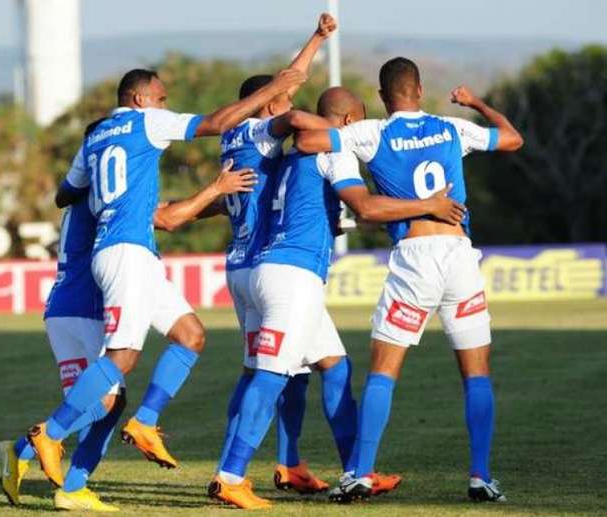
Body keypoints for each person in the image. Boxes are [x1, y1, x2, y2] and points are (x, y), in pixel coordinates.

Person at [23, 67, 304, 490]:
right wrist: (275, 89)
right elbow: (215, 123)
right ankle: (49, 434)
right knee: (122, 359)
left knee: (191, 334)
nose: (165, 106)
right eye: (161, 98)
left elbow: (64, 194)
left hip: (133, 253)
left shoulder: (93, 139)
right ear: (140, 99)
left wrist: (107, 189)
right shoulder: (147, 121)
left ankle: (146, 422)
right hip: (125, 253)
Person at [209, 86, 466, 510]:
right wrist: (429, 206)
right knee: (271, 374)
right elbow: (363, 206)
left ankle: (357, 472)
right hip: (293, 276)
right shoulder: (336, 151)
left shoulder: (287, 158)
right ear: (347, 123)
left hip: (270, 268)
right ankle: (230, 475)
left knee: (334, 366)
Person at [295, 57, 523, 503]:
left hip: (415, 256)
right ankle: (480, 476)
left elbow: (309, 140)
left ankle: (360, 472)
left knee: (384, 369)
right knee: (476, 372)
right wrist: (476, 102)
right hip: (460, 254)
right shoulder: (452, 127)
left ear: (383, 97)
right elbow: (513, 139)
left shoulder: (372, 132)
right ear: (419, 90)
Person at [0, 123, 255, 511]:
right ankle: (31, 450)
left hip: (67, 308)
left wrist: (213, 200)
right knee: (101, 402)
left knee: (111, 401)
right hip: (82, 309)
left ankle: (64, 477)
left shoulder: (88, 196)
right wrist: (215, 191)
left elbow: (163, 213)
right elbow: (165, 217)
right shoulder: (106, 203)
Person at [217, 12, 337, 496]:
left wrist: (317, 39)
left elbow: (288, 84)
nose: (289, 104)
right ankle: (230, 475)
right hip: (270, 264)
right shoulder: (258, 131)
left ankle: (287, 463)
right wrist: (341, 130)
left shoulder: (230, 136)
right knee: (268, 374)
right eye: (279, 100)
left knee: (270, 372)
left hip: (241, 263)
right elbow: (291, 104)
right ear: (263, 105)